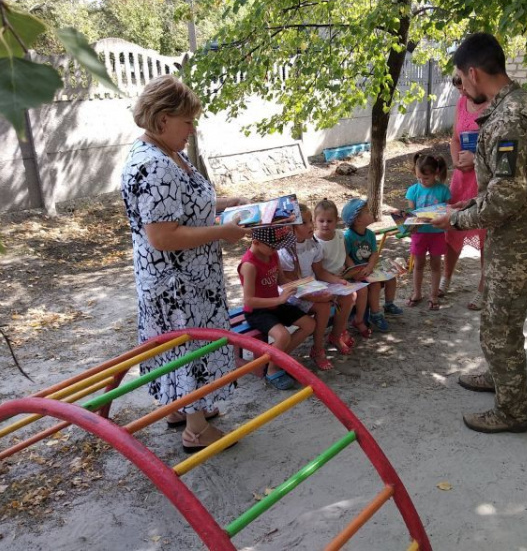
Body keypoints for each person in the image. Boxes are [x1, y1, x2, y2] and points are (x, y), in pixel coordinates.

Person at [432, 32, 527, 434]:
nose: (461, 86)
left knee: (500, 328)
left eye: (459, 78)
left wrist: (457, 220)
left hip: (519, 242)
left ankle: (512, 412)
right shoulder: (518, 105)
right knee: (495, 316)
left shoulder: (508, 119)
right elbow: (505, 191)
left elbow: (505, 197)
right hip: (518, 236)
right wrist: (462, 208)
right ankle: (498, 376)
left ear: (473, 73)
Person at [120, 74, 249, 453]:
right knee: (190, 348)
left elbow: (185, 205)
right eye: (188, 121)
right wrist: (222, 232)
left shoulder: (168, 152)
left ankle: (183, 410)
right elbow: (162, 236)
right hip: (176, 285)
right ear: (163, 119)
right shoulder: (154, 164)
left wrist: (225, 205)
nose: (192, 129)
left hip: (191, 279)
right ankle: (195, 430)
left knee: (188, 348)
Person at [279, 204, 356, 370]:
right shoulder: (286, 252)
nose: (310, 226)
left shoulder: (313, 245)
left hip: (312, 288)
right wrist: (318, 296)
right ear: (291, 228)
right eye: (304, 223)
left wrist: (338, 281)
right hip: (293, 295)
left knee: (349, 295)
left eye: (309, 221)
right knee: (323, 307)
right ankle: (318, 349)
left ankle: (336, 336)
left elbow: (320, 272)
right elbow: (292, 286)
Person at [238, 225, 315, 390]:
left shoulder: (272, 255)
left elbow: (281, 279)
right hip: (258, 311)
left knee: (309, 324)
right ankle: (272, 370)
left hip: (276, 303)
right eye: (273, 246)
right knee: (282, 336)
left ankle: (280, 357)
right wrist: (279, 300)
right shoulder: (249, 265)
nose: (276, 250)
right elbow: (249, 300)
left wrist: (304, 286)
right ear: (256, 242)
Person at [443, 73, 489, 310]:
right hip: (461, 178)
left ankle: (483, 287)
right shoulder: (461, 103)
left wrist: (476, 160)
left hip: (483, 180)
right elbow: (454, 139)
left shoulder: (494, 105)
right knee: (453, 228)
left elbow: (500, 149)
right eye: (457, 88)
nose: (461, 93)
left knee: (483, 233)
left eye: (463, 87)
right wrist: (457, 161)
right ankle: (446, 278)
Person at [341, 198, 403, 332]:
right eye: (367, 212)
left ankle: (389, 304)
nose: (371, 213)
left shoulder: (369, 234)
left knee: (391, 277)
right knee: (375, 285)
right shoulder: (348, 236)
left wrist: (370, 267)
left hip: (369, 268)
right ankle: (375, 314)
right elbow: (345, 256)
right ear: (358, 220)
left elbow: (374, 253)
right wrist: (355, 271)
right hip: (358, 273)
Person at [314, 199, 372, 338]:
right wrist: (337, 279)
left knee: (363, 287)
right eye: (321, 221)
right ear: (314, 220)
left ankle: (357, 320)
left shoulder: (340, 235)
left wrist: (354, 270)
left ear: (337, 220)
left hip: (343, 275)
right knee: (350, 296)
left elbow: (345, 255)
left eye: (329, 221)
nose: (325, 224)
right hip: (326, 280)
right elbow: (319, 271)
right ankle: (338, 330)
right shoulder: (315, 242)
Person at [405, 153, 451, 310]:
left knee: (436, 265)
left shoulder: (443, 190)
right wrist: (409, 223)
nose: (422, 182)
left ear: (435, 173)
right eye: (419, 178)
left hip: (437, 233)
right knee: (418, 264)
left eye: (426, 178)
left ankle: (433, 295)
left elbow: (447, 211)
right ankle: (417, 293)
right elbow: (410, 212)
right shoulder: (413, 190)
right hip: (419, 234)